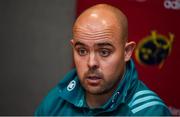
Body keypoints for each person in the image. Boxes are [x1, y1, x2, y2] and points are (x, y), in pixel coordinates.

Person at [35, 4, 171, 116]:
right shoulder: (57, 99)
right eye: (82, 51)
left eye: (104, 52)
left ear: (127, 52)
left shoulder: (150, 112)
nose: (91, 63)